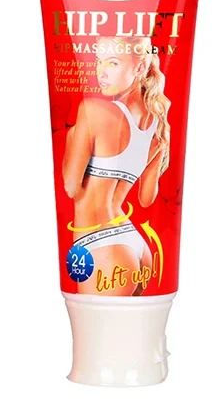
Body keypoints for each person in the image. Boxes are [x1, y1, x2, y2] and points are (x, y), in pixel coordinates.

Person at [62, 36, 170, 295]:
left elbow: (71, 187)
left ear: (140, 67)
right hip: (135, 246)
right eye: (98, 62)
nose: (101, 73)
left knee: (93, 320)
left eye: (112, 63)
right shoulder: (159, 132)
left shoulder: (93, 110)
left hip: (100, 244)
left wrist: (72, 137)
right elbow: (146, 199)